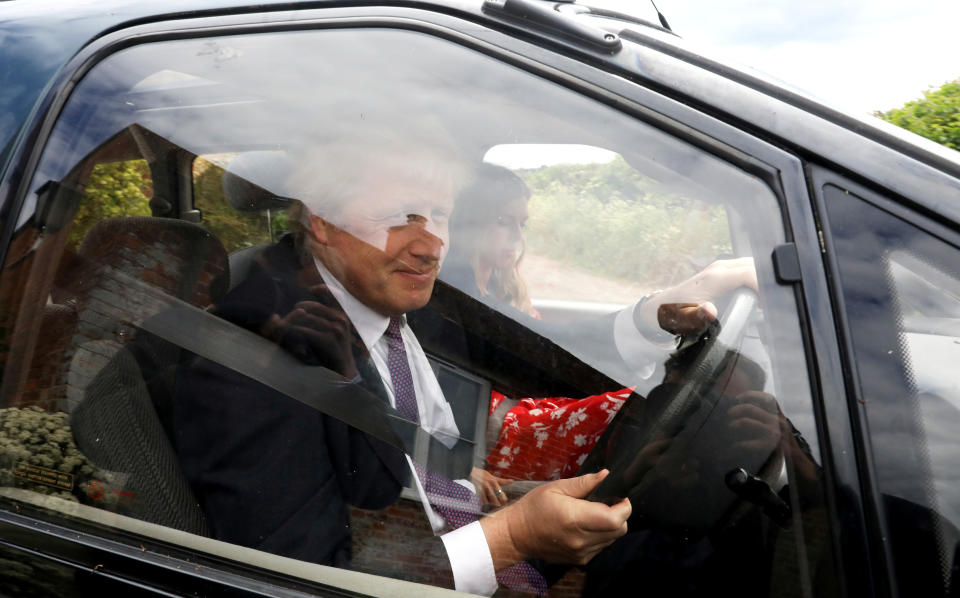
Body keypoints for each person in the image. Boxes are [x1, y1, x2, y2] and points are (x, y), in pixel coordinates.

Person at [170, 127, 632, 596]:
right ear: (323, 222)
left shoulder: (386, 295)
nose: (431, 246)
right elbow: (301, 582)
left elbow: (533, 351)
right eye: (399, 215)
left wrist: (461, 479)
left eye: (440, 215)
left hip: (426, 528)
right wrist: (511, 536)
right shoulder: (260, 365)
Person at [440, 163, 759, 503]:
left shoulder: (505, 288)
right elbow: (540, 352)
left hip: (528, 410)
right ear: (465, 220)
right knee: (632, 411)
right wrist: (655, 312)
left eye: (522, 224)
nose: (517, 237)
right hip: (493, 425)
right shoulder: (450, 288)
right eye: (503, 221)